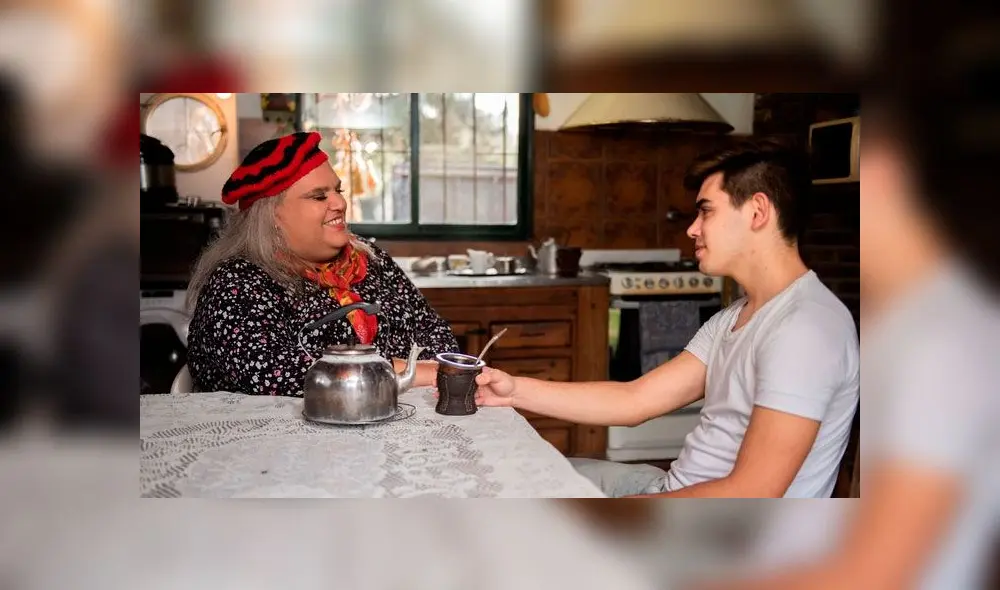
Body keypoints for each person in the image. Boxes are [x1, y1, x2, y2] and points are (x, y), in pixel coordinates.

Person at [476, 138, 860, 498]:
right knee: (518, 476)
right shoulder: (737, 317)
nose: (692, 229)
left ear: (757, 212)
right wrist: (514, 390)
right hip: (674, 491)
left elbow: (751, 493)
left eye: (706, 211)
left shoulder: (806, 329)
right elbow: (635, 400)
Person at [185, 131, 459, 396]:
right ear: (272, 217)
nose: (340, 202)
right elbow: (273, 373)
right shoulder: (237, 283)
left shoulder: (371, 260)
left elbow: (435, 332)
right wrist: (404, 370)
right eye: (319, 196)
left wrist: (440, 370)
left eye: (338, 190)